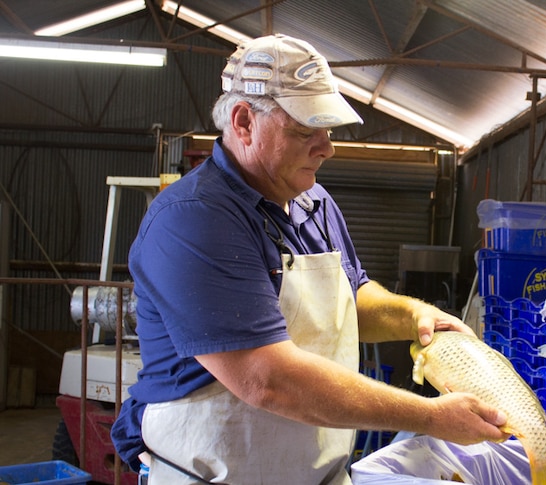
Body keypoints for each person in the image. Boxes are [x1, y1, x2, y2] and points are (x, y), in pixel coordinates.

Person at [110, 33, 509, 484]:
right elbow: (267, 379)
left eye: (328, 130)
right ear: (244, 122)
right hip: (213, 475)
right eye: (305, 131)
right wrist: (431, 417)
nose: (327, 148)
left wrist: (413, 314)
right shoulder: (195, 219)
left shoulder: (312, 201)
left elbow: (350, 300)